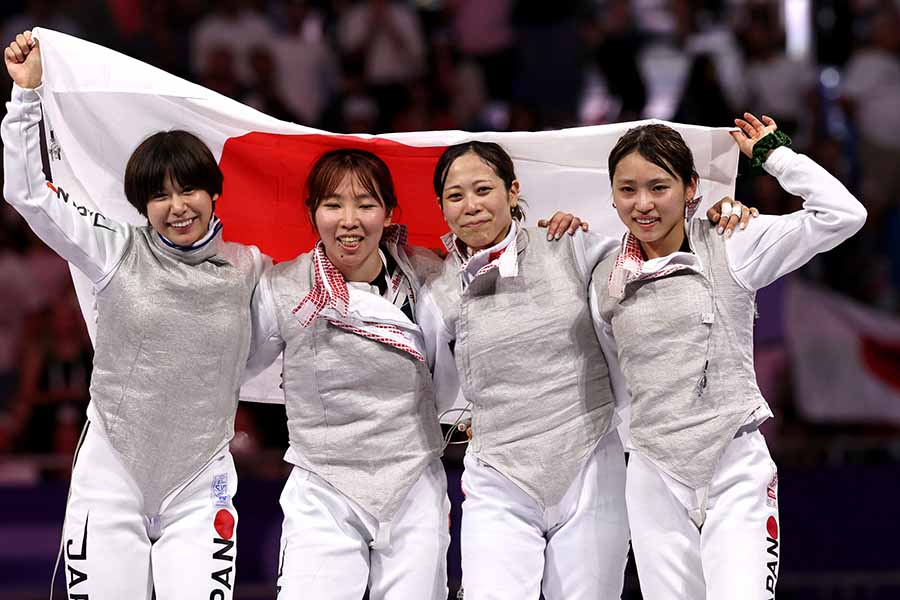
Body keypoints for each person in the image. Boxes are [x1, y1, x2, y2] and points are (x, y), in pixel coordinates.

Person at [417, 140, 753, 600]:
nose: (471, 206)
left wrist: (717, 220)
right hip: (499, 476)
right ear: (441, 207)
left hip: (590, 466)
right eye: (456, 196)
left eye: (483, 189)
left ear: (513, 191)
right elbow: (437, 392)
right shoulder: (437, 292)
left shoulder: (571, 245)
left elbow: (649, 268)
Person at [246, 147, 586, 599]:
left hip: (413, 486)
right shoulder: (282, 287)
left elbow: (508, 287)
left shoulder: (431, 275)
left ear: (388, 213)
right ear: (312, 213)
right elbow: (233, 366)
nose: (349, 220)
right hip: (324, 486)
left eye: (365, 205)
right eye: (333, 205)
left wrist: (557, 231)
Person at [3, 31, 268, 599]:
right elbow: (30, 195)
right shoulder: (115, 247)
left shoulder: (250, 267)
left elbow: (267, 351)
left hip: (202, 480)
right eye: (160, 196)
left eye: (190, 190)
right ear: (142, 205)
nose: (178, 207)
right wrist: (26, 98)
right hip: (111, 472)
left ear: (214, 193)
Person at [592, 115, 866, 599]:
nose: (643, 204)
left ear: (690, 186)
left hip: (733, 466)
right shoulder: (603, 272)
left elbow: (844, 215)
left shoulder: (733, 242)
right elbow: (613, 378)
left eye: (659, 186)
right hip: (653, 476)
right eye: (628, 189)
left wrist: (776, 156)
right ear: (611, 194)